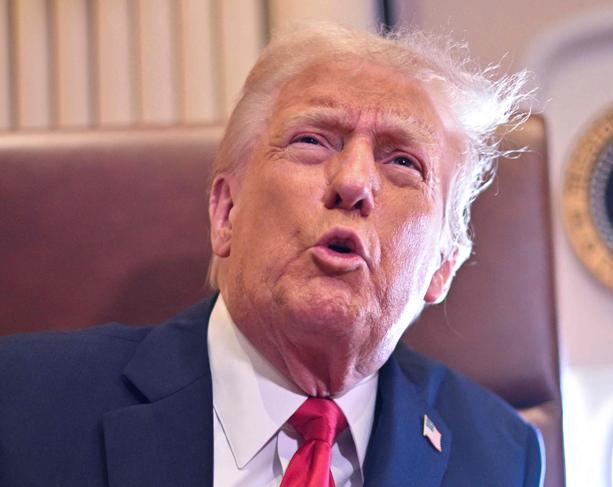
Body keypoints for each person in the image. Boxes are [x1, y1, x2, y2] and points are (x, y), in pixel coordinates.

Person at [0, 22, 543, 486]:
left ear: (443, 265)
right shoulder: (24, 401)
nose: (353, 182)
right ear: (226, 212)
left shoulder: (500, 456)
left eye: (403, 162)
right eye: (312, 140)